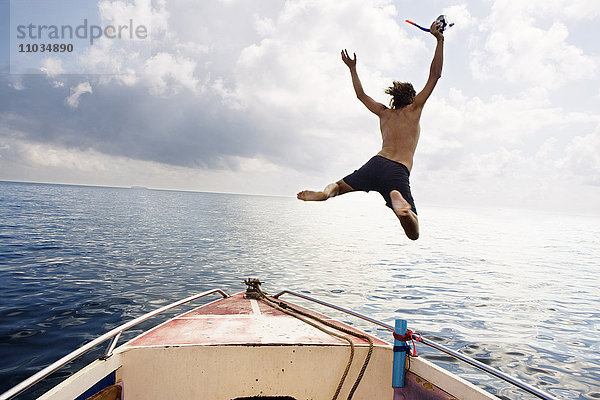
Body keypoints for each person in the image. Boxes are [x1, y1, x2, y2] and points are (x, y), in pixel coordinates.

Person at [297, 21, 445, 240]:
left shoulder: (384, 113)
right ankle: (403, 210)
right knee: (413, 233)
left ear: (394, 98)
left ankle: (324, 193)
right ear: (412, 98)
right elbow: (435, 75)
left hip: (376, 163)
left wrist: (353, 69)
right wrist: (440, 41)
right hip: (397, 171)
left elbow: (361, 95)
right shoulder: (414, 109)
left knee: (338, 186)